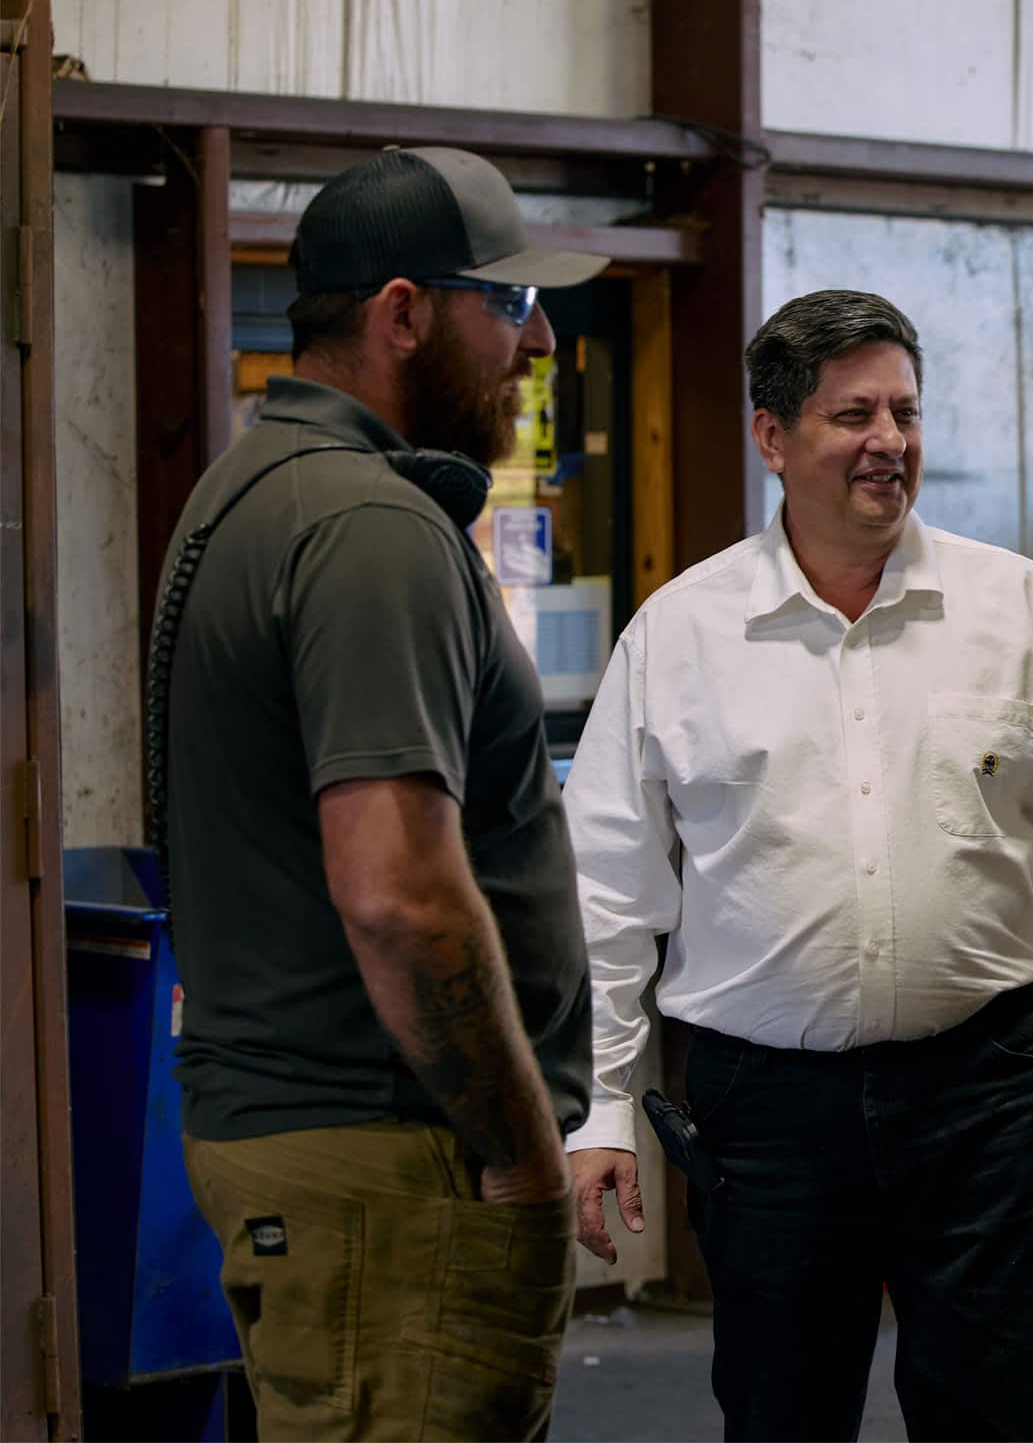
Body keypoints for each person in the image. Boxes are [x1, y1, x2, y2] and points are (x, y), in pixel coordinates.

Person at [564, 289, 1033, 1441]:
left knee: (988, 1415)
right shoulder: (680, 634)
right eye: (851, 413)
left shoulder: (1015, 608)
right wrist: (602, 1101)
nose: (889, 441)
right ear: (773, 437)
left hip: (982, 1092)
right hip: (766, 1111)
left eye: (905, 409)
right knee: (781, 1414)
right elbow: (604, 892)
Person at [157, 148, 607, 1440]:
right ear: (405, 313)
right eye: (510, 304)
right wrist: (521, 1149)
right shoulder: (371, 528)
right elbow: (401, 895)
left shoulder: (254, 490)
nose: (540, 341)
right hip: (393, 1157)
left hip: (319, 1147)